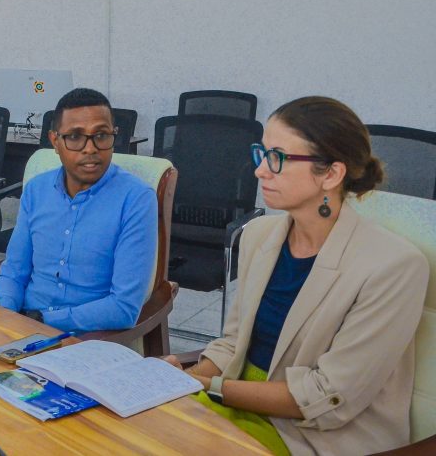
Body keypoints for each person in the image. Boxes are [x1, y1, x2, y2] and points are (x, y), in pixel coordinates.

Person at [166, 96, 428, 456]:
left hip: (315, 433)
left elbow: (326, 396)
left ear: (331, 174)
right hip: (234, 399)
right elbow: (232, 344)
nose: (260, 171)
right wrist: (182, 378)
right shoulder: (259, 236)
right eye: (262, 153)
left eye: (277, 158)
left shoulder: (393, 266)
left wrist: (206, 385)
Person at [0, 88, 157, 333]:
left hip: (88, 339)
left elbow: (124, 308)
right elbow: (14, 272)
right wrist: (4, 318)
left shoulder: (136, 199)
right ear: (55, 141)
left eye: (101, 135)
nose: (90, 148)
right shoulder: (37, 189)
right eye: (75, 136)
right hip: (21, 326)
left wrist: (42, 322)